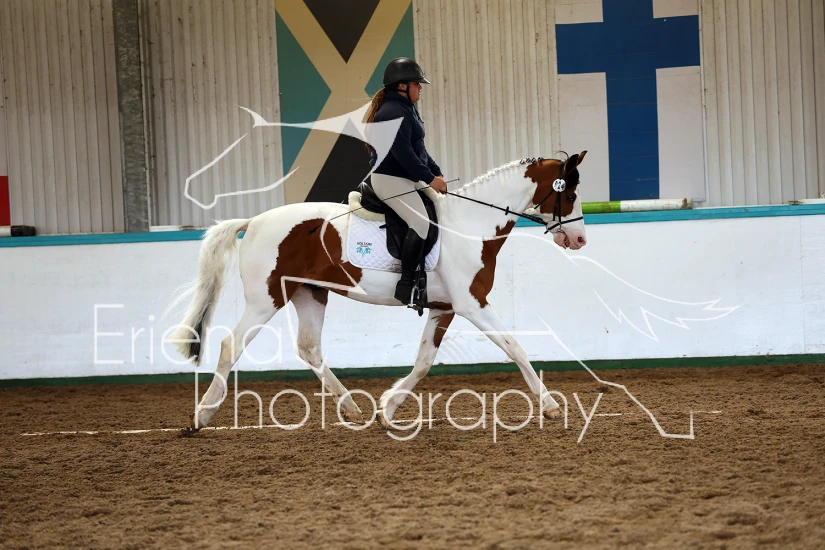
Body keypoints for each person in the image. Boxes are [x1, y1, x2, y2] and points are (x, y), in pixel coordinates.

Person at [363, 57, 448, 306]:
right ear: (402, 86)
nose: (420, 87)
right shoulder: (392, 112)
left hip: (404, 178)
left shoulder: (406, 108)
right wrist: (430, 178)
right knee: (420, 222)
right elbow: (404, 154)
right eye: (416, 83)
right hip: (390, 179)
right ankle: (406, 284)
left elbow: (419, 149)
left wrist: (436, 173)